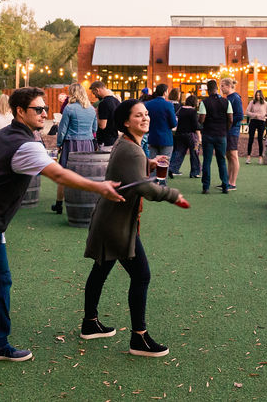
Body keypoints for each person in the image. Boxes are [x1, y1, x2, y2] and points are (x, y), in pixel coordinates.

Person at [0, 87, 125, 388]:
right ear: (20, 112)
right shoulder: (24, 145)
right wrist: (100, 187)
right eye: (39, 109)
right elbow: (59, 175)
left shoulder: (7, 135)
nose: (45, 113)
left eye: (46, 108)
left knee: (1, 282)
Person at [81, 99, 190, 356]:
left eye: (146, 114)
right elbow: (144, 188)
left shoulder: (129, 144)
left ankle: (90, 323)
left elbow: (131, 175)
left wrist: (149, 164)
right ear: (126, 122)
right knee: (141, 275)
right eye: (139, 115)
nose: (145, 118)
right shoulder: (132, 149)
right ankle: (139, 338)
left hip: (110, 219)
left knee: (100, 269)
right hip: (116, 224)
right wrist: (172, 194)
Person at [53, 83, 98, 214]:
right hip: (88, 144)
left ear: (73, 93)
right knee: (86, 174)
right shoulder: (91, 109)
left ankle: (59, 204)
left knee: (64, 174)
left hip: (71, 143)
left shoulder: (69, 108)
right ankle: (85, 203)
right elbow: (94, 129)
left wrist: (59, 144)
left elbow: (62, 130)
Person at [198, 79, 232, 194]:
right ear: (217, 88)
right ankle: (225, 186)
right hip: (221, 134)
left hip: (208, 134)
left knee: (207, 161)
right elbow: (231, 119)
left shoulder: (204, 102)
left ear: (207, 90)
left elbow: (201, 119)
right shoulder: (226, 102)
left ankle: (205, 187)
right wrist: (225, 129)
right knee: (221, 160)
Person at [169, 94, 201, 178]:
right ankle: (195, 172)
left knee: (179, 152)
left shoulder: (181, 109)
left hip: (179, 134)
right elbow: (195, 125)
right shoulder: (193, 111)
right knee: (194, 153)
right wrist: (199, 137)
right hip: (190, 135)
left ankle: (172, 168)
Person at [221, 78, 244, 190]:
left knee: (233, 156)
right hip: (228, 130)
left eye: (222, 86)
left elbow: (240, 115)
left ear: (229, 86)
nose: (221, 88)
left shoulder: (235, 98)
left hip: (233, 130)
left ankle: (233, 183)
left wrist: (228, 122)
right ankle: (227, 181)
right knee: (229, 156)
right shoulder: (229, 98)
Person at [144, 84, 177, 159]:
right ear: (165, 92)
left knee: (153, 164)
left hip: (152, 137)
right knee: (164, 165)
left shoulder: (148, 104)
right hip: (166, 138)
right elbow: (173, 123)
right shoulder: (168, 105)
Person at [90, 81, 121, 150]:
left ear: (97, 90)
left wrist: (96, 114)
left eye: (94, 93)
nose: (95, 96)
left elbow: (102, 125)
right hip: (115, 139)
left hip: (106, 141)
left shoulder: (103, 103)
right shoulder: (117, 101)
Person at [244, 90, 267, 164]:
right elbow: (247, 112)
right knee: (251, 139)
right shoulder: (252, 102)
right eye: (256, 95)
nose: (258, 96)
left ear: (261, 96)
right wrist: (255, 115)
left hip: (262, 122)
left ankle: (260, 157)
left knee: (260, 140)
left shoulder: (265, 103)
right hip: (253, 121)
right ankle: (248, 157)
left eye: (259, 95)